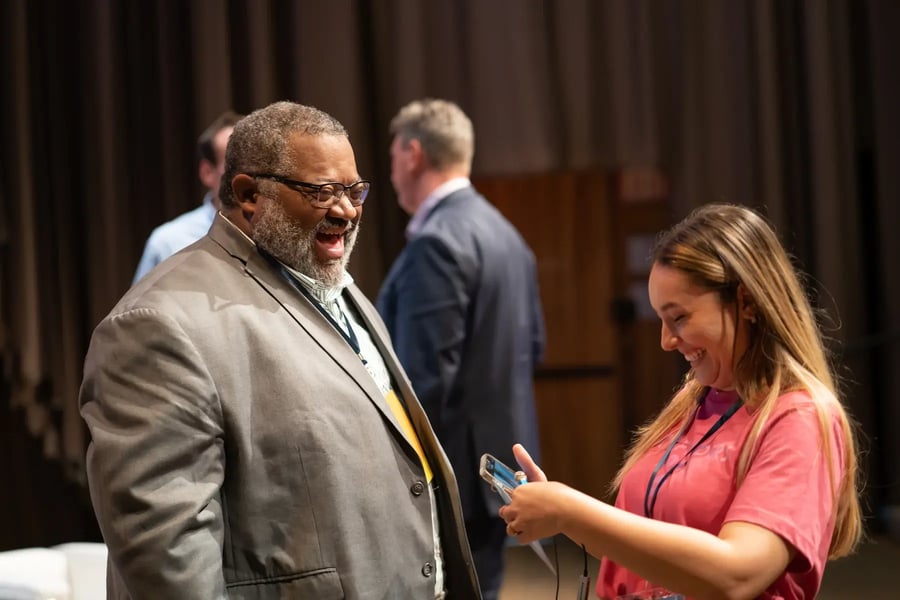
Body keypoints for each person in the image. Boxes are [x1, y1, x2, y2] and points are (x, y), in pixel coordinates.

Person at [80, 101, 482, 599]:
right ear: (249, 194)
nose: (347, 210)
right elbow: (166, 563)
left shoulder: (331, 284)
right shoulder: (156, 325)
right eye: (321, 192)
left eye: (354, 190)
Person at [499, 203, 863, 599]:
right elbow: (643, 542)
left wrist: (570, 510)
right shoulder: (696, 398)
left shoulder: (799, 418)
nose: (666, 341)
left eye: (679, 318)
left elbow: (736, 575)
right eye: (660, 319)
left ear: (746, 302)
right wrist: (557, 513)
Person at [377, 98, 546, 600]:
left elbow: (424, 382)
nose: (389, 175)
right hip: (498, 471)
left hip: (450, 479)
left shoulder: (438, 241)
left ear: (412, 154)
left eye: (390, 160)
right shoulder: (507, 234)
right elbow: (534, 347)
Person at [132, 109, 243, 284]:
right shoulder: (168, 242)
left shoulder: (276, 236)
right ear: (207, 172)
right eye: (234, 166)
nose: (247, 176)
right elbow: (139, 309)